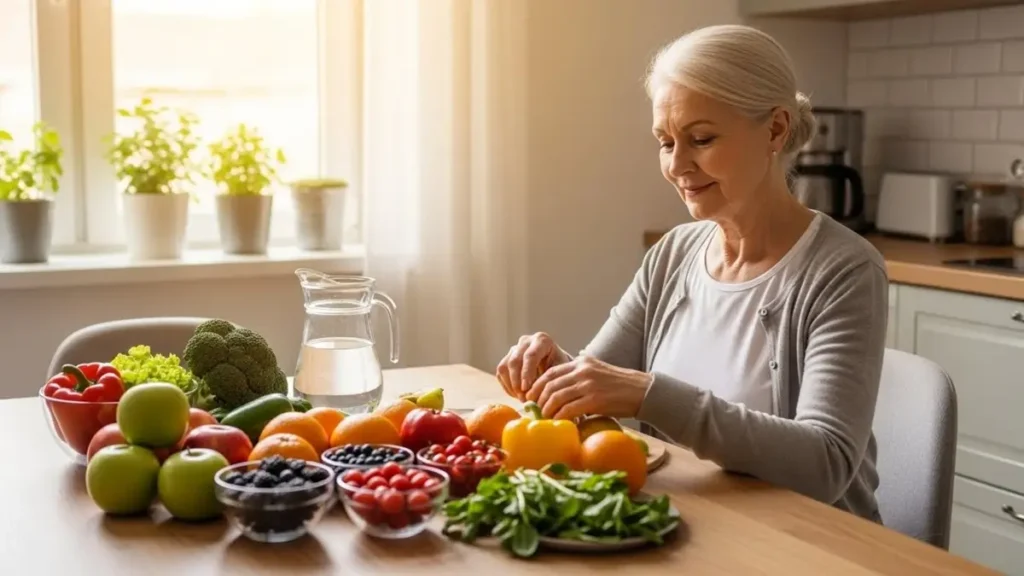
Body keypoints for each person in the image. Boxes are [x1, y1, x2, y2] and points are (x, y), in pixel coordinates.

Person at [496, 24, 888, 524]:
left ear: (775, 129)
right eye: (665, 142)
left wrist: (650, 395)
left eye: (701, 139)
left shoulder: (844, 270)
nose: (678, 165)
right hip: (694, 528)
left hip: (814, 545)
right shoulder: (674, 254)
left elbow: (826, 464)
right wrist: (558, 369)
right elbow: (600, 388)